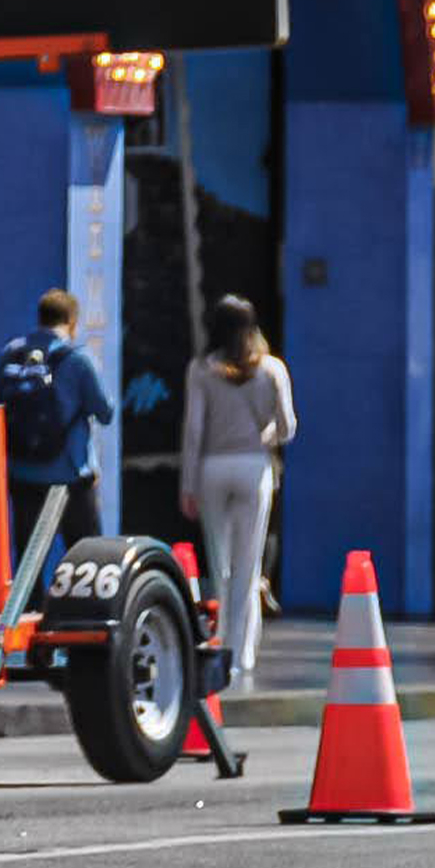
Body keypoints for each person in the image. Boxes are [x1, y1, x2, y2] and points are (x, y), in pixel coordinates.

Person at [180, 294, 296, 685]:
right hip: (253, 467)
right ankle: (244, 652)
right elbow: (288, 426)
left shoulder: (201, 369)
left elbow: (194, 429)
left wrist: (188, 484)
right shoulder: (271, 368)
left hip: (213, 468)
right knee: (249, 564)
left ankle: (222, 642)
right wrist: (265, 435)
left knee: (220, 565)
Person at [0, 288, 115, 567]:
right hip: (69, 475)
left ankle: (29, 606)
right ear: (72, 320)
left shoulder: (11, 355)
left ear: (40, 319)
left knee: (28, 561)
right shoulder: (78, 359)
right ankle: (83, 611)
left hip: (22, 471)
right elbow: (105, 412)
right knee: (87, 557)